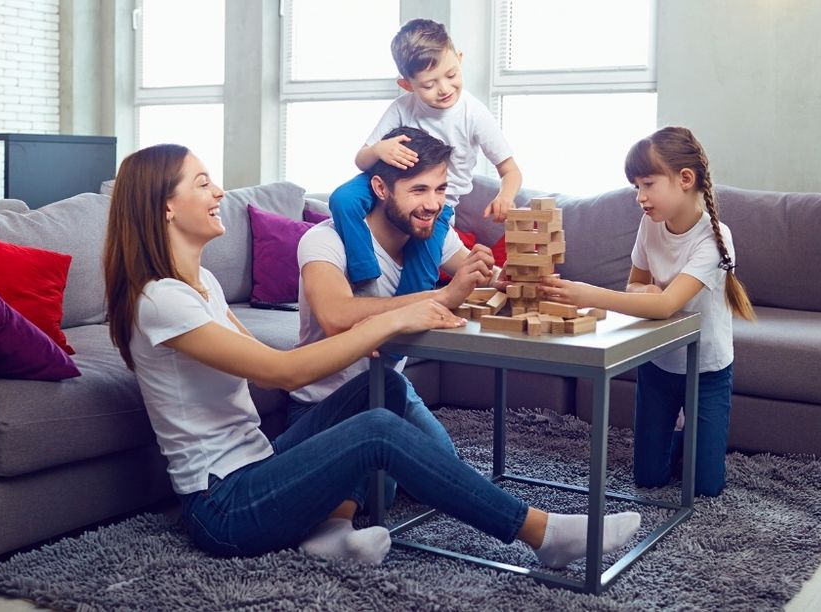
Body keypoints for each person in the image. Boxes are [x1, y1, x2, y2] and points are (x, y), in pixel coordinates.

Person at [102, 143, 640, 568]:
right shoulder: (161, 300)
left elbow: (264, 356)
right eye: (202, 183)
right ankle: (541, 533)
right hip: (222, 506)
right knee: (378, 430)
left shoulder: (202, 285)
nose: (220, 191)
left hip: (258, 464)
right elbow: (282, 371)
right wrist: (390, 319)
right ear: (165, 205)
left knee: (376, 390)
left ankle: (327, 531)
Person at [538, 126, 756, 497]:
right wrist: (647, 291)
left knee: (705, 486)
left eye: (648, 184)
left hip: (706, 369)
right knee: (649, 478)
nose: (639, 197)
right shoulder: (649, 225)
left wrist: (589, 293)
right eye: (636, 186)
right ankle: (682, 438)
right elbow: (635, 285)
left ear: (685, 179)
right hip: (658, 364)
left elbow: (666, 304)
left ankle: (697, 439)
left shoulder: (715, 237)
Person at [291, 126, 495, 503]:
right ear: (381, 189)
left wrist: (510, 277)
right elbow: (336, 315)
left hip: (392, 389)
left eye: (440, 189)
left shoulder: (433, 232)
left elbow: (481, 283)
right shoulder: (325, 239)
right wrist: (445, 294)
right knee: (379, 494)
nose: (433, 203)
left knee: (443, 469)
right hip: (324, 402)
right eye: (418, 190)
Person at [329, 18, 522, 296]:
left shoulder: (474, 114)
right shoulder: (400, 108)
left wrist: (505, 196)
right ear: (407, 85)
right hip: (385, 187)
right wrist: (378, 150)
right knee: (342, 199)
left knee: (421, 264)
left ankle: (411, 308)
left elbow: (511, 170)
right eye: (429, 84)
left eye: (451, 75)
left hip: (436, 205)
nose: (444, 89)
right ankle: (365, 273)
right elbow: (361, 160)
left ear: (459, 58)